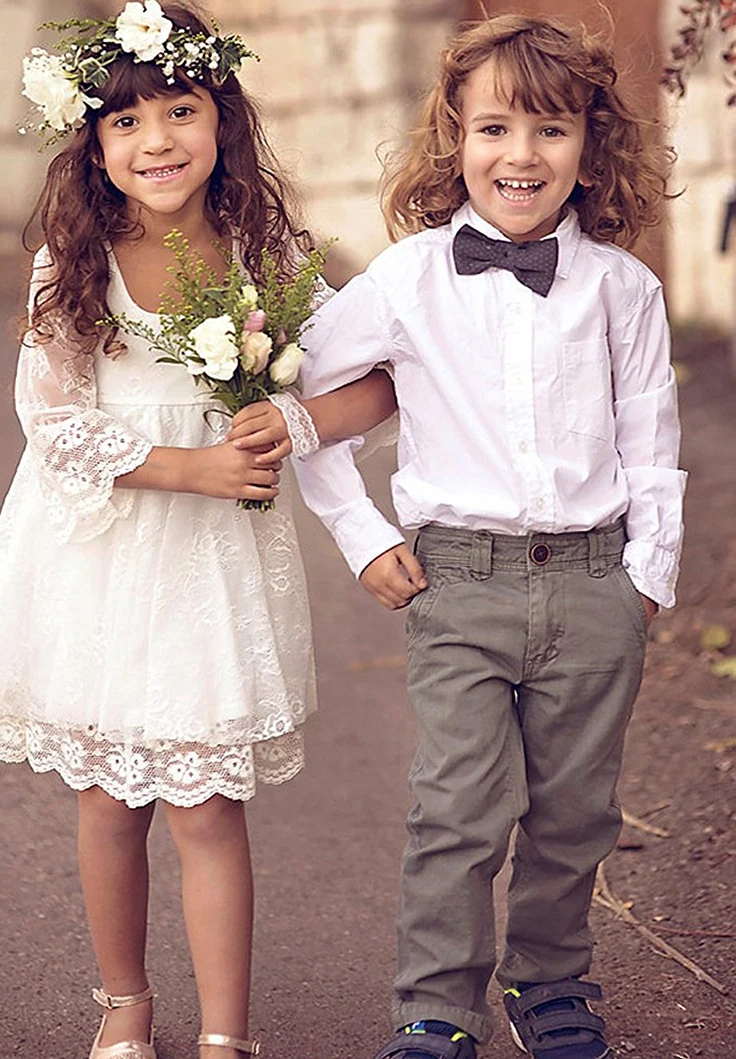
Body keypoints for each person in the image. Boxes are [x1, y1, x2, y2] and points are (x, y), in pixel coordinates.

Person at [0, 4, 395, 1058]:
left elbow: (373, 382)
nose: (157, 142)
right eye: (125, 123)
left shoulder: (266, 254)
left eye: (181, 111)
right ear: (91, 148)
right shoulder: (75, 260)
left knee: (206, 806)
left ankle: (224, 1039)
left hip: (213, 572)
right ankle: (125, 1010)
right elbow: (51, 423)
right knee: (111, 800)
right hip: (103, 554)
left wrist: (290, 417)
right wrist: (187, 464)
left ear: (220, 118)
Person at [232, 13, 686, 1059]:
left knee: (575, 813)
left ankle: (550, 984)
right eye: (492, 129)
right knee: (459, 809)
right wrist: (358, 532)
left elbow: (651, 443)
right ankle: (435, 1006)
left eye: (548, 130)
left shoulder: (623, 290)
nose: (518, 156)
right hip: (460, 583)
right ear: (453, 139)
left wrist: (644, 581)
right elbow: (297, 398)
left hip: (591, 582)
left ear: (588, 146)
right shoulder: (405, 281)